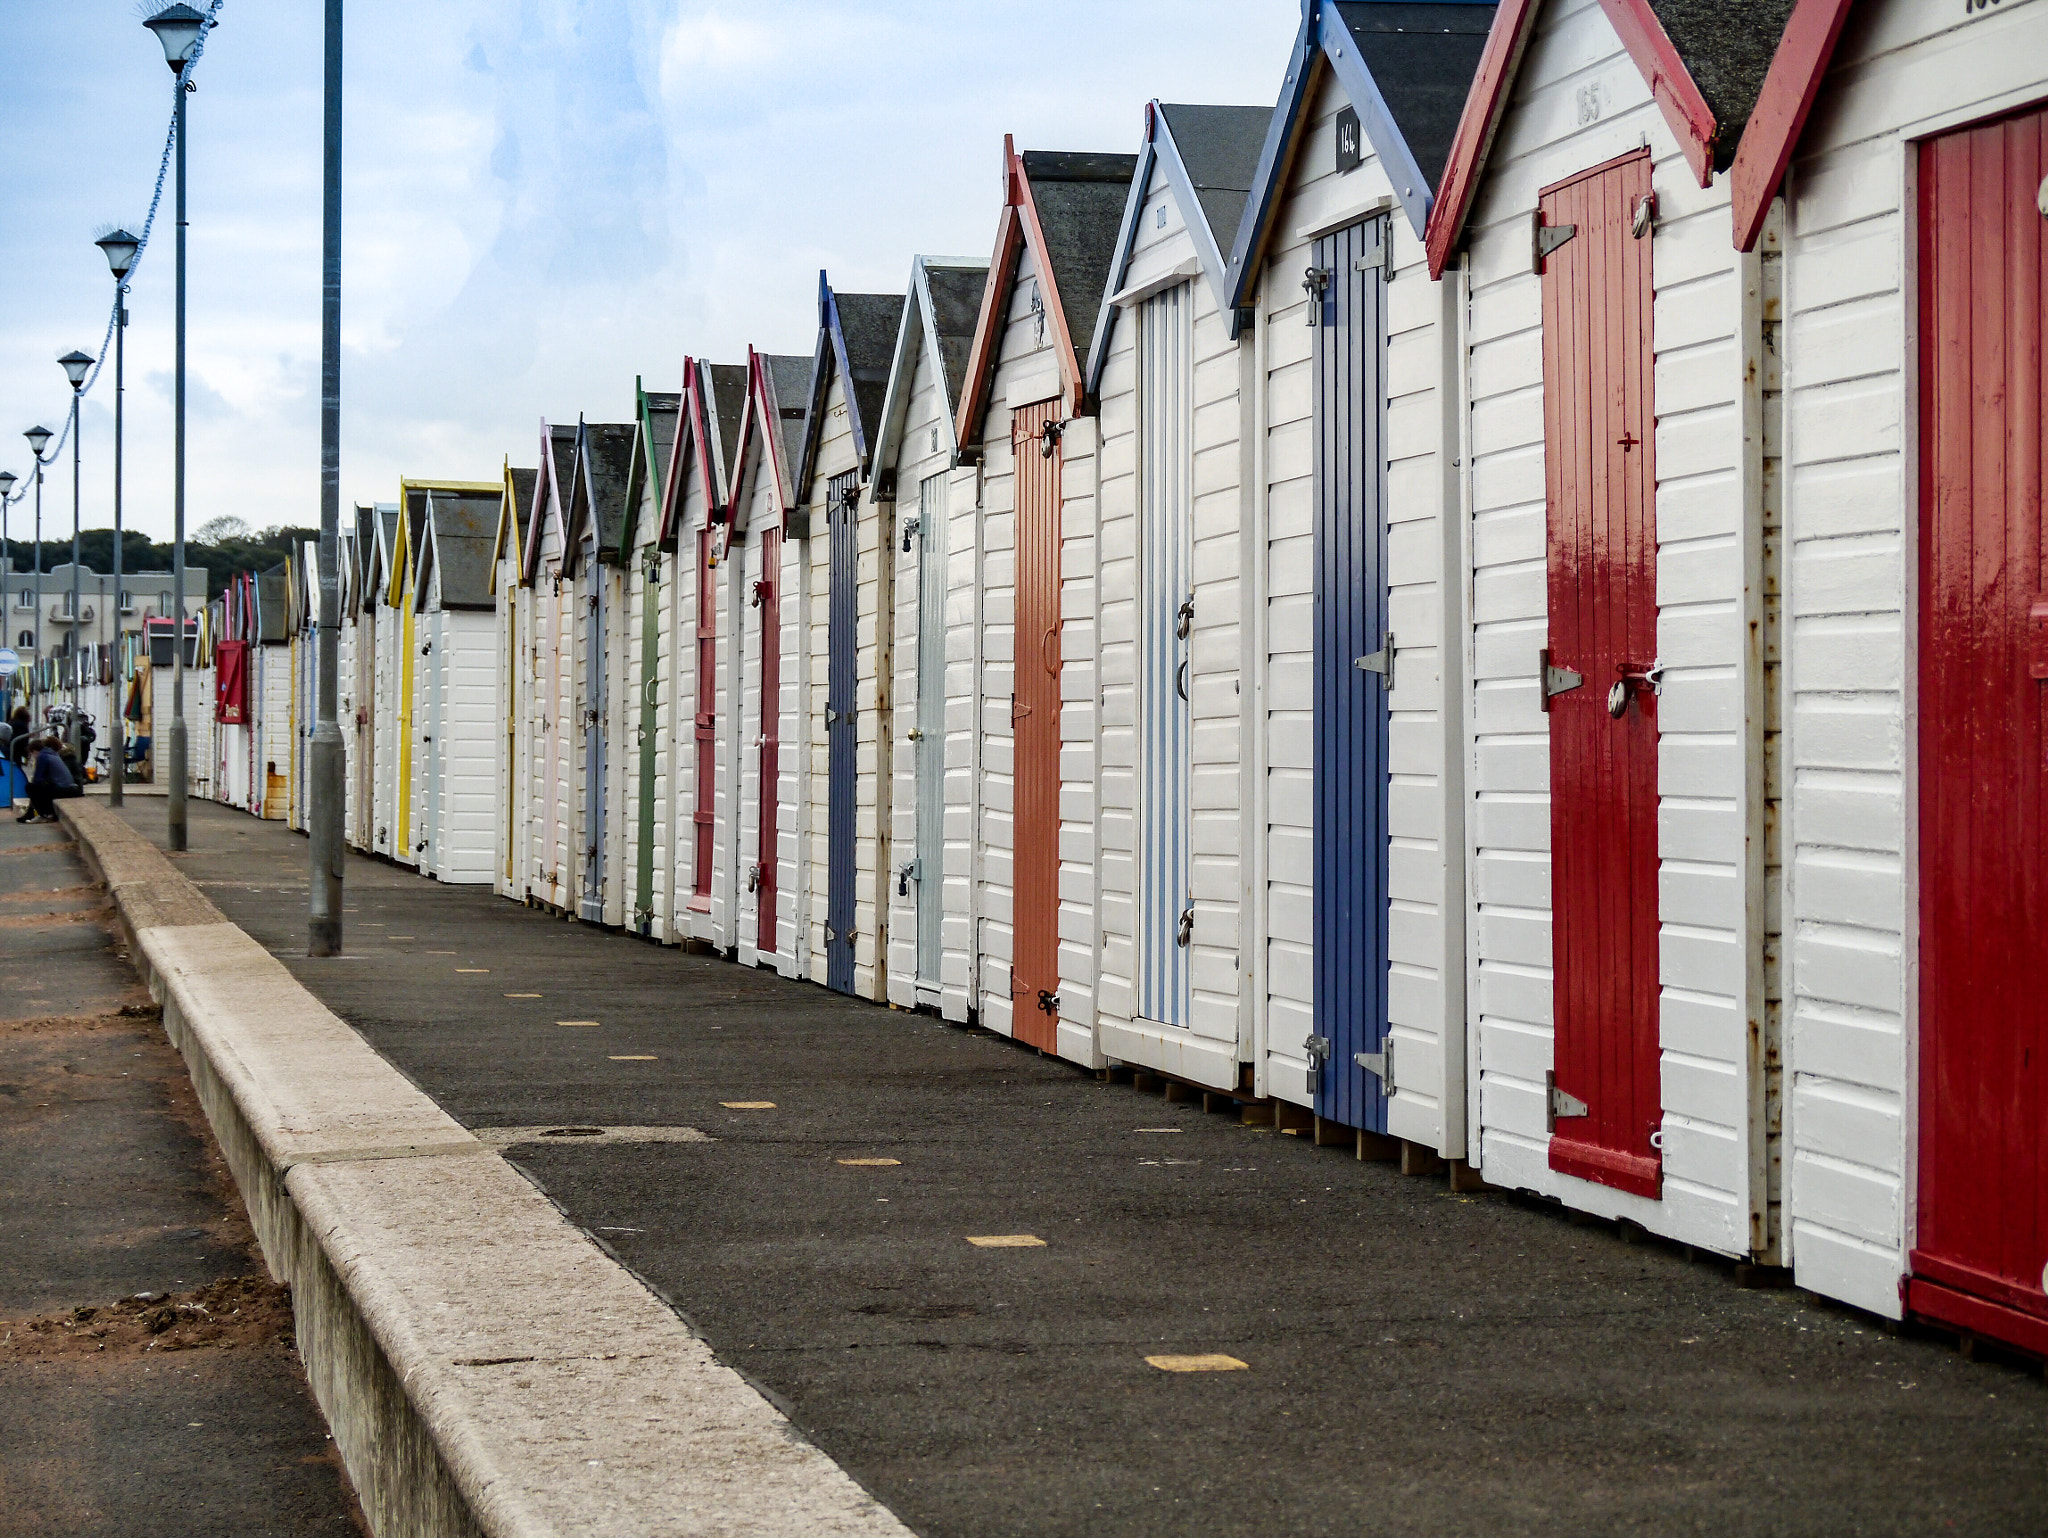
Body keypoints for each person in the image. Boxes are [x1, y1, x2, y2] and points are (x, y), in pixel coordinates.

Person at [21, 735, 81, 824]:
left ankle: (45, 814)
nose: (32, 756)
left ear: (34, 751)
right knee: (42, 787)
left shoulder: (43, 756)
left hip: (63, 789)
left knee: (31, 787)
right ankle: (46, 813)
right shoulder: (53, 754)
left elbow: (37, 780)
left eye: (31, 753)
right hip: (71, 788)